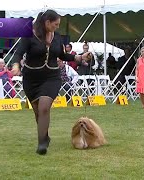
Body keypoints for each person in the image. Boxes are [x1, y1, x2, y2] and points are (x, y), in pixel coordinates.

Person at [12, 9, 91, 155]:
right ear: (47, 22)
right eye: (56, 24)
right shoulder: (29, 35)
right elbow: (18, 53)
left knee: (44, 107)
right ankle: (45, 136)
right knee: (37, 111)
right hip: (31, 79)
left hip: (51, 77)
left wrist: (78, 58)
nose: (57, 27)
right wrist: (16, 65)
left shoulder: (57, 37)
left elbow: (62, 55)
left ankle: (41, 144)